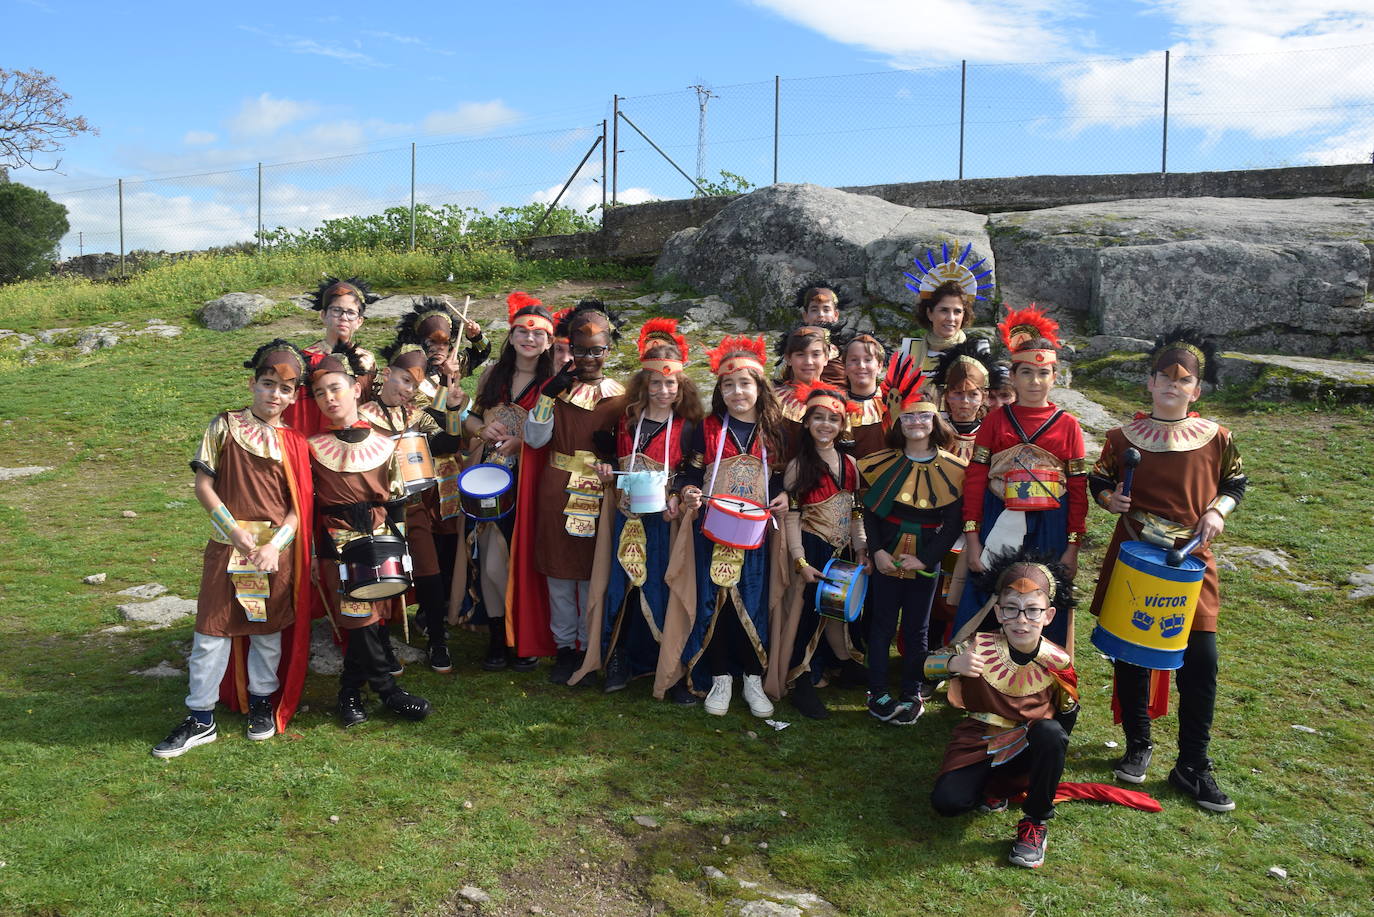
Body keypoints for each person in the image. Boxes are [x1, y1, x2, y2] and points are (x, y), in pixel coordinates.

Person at [1087, 328, 1247, 812]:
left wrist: (1217, 511)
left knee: (1202, 661)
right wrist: (1107, 498)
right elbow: (1100, 479)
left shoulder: (1217, 438)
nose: (1173, 386)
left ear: (1196, 390)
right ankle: (1138, 743)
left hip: (1192, 558)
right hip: (1135, 551)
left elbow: (1236, 482)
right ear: (1150, 383)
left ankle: (1192, 765)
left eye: (1184, 380)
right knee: (1133, 653)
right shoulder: (1121, 438)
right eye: (1164, 378)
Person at [153, 341, 314, 758]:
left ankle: (262, 702)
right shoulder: (223, 425)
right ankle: (199, 717)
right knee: (212, 631)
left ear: (294, 395)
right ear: (252, 383)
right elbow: (203, 485)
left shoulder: (295, 442)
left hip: (272, 553)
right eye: (267, 384)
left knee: (267, 631)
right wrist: (236, 532)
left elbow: (299, 509)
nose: (274, 395)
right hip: (228, 546)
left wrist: (274, 546)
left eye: (285, 389)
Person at [572, 319, 703, 693]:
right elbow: (618, 462)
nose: (663, 390)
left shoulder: (690, 426)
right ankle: (619, 659)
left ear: (681, 385)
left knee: (664, 590)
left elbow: (693, 473)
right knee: (624, 588)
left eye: (670, 383)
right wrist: (607, 473)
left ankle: (670, 665)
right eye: (656, 383)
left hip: (666, 522)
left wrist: (677, 495)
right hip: (627, 517)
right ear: (644, 385)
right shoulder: (628, 421)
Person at [927, 552, 1079, 869]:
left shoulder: (1058, 662)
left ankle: (1035, 821)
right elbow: (921, 668)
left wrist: (1047, 760)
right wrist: (953, 663)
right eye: (1012, 609)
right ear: (998, 611)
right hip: (978, 741)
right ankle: (993, 788)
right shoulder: (976, 646)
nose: (1021, 619)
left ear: (1048, 615)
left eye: (1032, 611)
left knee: (1051, 733)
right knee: (948, 803)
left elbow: (1066, 717)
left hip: (1029, 745)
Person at [307, 343, 432, 727]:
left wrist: (399, 544)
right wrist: (315, 552)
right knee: (357, 617)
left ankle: (349, 693)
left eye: (336, 389)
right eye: (320, 392)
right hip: (336, 543)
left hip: (379, 542)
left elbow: (395, 501)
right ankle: (387, 691)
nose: (329, 398)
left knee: (369, 617)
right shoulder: (310, 448)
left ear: (356, 390)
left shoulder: (384, 445)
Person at [671, 335, 789, 717]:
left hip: (756, 534)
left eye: (745, 383)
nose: (737, 392)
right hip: (713, 529)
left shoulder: (777, 430)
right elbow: (686, 473)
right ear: (720, 389)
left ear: (759, 386)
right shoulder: (704, 429)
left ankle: (753, 676)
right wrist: (688, 490)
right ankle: (720, 676)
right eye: (728, 384)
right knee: (716, 601)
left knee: (753, 602)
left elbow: (789, 478)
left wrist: (787, 496)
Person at [958, 305, 1087, 650]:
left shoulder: (1069, 426)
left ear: (1054, 377)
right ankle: (978, 678)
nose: (1034, 381)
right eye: (1026, 373)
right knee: (991, 592)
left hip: (1051, 523)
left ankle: (1045, 680)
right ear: (1013, 377)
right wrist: (973, 540)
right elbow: (974, 480)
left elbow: (1076, 490)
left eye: (1043, 373)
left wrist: (1072, 547)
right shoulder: (996, 421)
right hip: (997, 516)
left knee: (1043, 597)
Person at [523, 301, 627, 685]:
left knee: (591, 571)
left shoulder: (622, 396)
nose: (587, 358)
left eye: (596, 350)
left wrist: (612, 457)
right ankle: (565, 647)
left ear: (608, 351)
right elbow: (535, 439)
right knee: (559, 572)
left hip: (600, 492)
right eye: (580, 350)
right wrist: (547, 397)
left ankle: (590, 645)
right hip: (557, 489)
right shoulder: (557, 392)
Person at [857, 354, 965, 724]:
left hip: (925, 557)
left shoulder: (954, 468)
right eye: (908, 416)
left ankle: (910, 690)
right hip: (887, 554)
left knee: (917, 628)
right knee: (882, 624)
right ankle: (877, 690)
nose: (916, 422)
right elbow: (871, 512)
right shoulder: (882, 462)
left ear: (934, 421)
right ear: (898, 422)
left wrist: (927, 559)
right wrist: (878, 552)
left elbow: (952, 523)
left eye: (922, 416)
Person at [360, 339, 466, 674]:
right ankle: (381, 645)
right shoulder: (362, 415)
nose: (408, 390)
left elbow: (448, 443)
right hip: (377, 510)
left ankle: (437, 639)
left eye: (415, 385)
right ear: (388, 373)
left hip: (415, 505)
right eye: (405, 380)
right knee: (383, 577)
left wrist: (450, 411)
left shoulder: (416, 415)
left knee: (429, 573)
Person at [466, 292, 555, 671]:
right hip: (489, 479)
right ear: (512, 334)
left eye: (538, 334)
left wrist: (524, 444)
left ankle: (526, 635)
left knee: (525, 559)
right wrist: (483, 429)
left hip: (530, 480)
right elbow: (467, 420)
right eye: (522, 331)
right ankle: (497, 635)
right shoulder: (492, 374)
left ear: (549, 340)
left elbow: (556, 434)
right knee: (490, 561)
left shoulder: (552, 383)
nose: (529, 339)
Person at [769, 383, 867, 719]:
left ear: (842, 426)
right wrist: (799, 560)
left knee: (838, 612)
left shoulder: (851, 464)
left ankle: (845, 665)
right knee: (807, 618)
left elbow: (855, 513)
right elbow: (793, 517)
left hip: (843, 552)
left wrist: (863, 546)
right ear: (808, 423)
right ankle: (801, 680)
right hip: (812, 549)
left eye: (833, 420)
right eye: (819, 418)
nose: (826, 425)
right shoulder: (800, 466)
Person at [284, 277, 380, 438]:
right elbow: (296, 414)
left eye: (351, 313)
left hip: (356, 441)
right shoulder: (304, 360)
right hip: (314, 440)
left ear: (359, 321)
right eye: (336, 310)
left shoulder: (367, 360)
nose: (343, 317)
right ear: (323, 315)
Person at [898, 242, 992, 373]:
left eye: (957, 311)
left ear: (964, 315)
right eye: (944, 310)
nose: (951, 318)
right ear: (929, 313)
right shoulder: (910, 351)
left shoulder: (977, 350)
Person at [775, 325, 831, 462]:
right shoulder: (772, 398)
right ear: (788, 358)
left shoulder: (835, 400)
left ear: (826, 357)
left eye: (816, 354)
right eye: (800, 354)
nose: (808, 362)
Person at [839, 333, 890, 460]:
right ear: (844, 367)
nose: (861, 366)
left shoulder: (891, 403)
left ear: (879, 366)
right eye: (854, 360)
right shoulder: (835, 404)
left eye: (868, 360)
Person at [794, 284, 847, 386]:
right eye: (814, 310)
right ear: (805, 316)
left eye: (826, 310)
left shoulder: (848, 348)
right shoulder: (793, 344)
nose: (821, 314)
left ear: (836, 315)